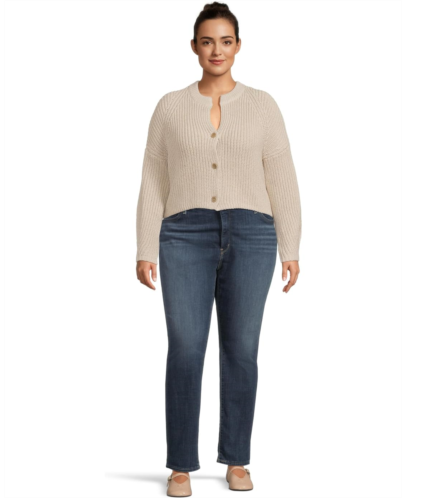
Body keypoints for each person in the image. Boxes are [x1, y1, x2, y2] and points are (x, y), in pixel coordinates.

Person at [135, 2, 301, 495]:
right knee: (186, 348)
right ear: (194, 46)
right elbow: (153, 178)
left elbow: (281, 175)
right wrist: (145, 245)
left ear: (238, 46)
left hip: (253, 234)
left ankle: (236, 459)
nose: (216, 50)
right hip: (183, 234)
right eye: (207, 41)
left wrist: (291, 246)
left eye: (225, 41)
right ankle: (181, 465)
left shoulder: (263, 105)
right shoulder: (169, 106)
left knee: (242, 350)